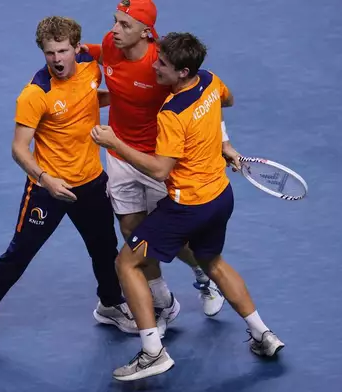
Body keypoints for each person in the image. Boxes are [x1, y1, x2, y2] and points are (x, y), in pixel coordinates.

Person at [91, 32, 285, 381]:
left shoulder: (171, 113)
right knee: (213, 262)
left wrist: (114, 141)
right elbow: (227, 101)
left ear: (182, 72)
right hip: (220, 198)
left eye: (162, 64)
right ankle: (263, 334)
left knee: (127, 263)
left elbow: (160, 169)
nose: (155, 66)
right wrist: (221, 143)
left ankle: (153, 353)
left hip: (187, 205)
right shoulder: (210, 81)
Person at [0, 16, 137, 358]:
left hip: (90, 181)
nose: (57, 60)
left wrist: (127, 99)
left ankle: (110, 305)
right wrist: (45, 179)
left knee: (104, 250)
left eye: (62, 51)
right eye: (49, 53)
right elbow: (18, 148)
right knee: (19, 255)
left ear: (77, 48)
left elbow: (94, 91)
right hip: (48, 188)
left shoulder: (91, 64)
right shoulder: (35, 93)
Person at [83, 0, 238, 324]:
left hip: (158, 159)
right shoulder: (112, 44)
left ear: (147, 32)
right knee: (131, 230)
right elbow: (102, 53)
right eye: (115, 21)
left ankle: (202, 275)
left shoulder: (162, 65)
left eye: (125, 25)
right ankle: (163, 301)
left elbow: (207, 99)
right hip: (119, 154)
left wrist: (223, 142)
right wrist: (77, 49)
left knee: (170, 237)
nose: (115, 30)